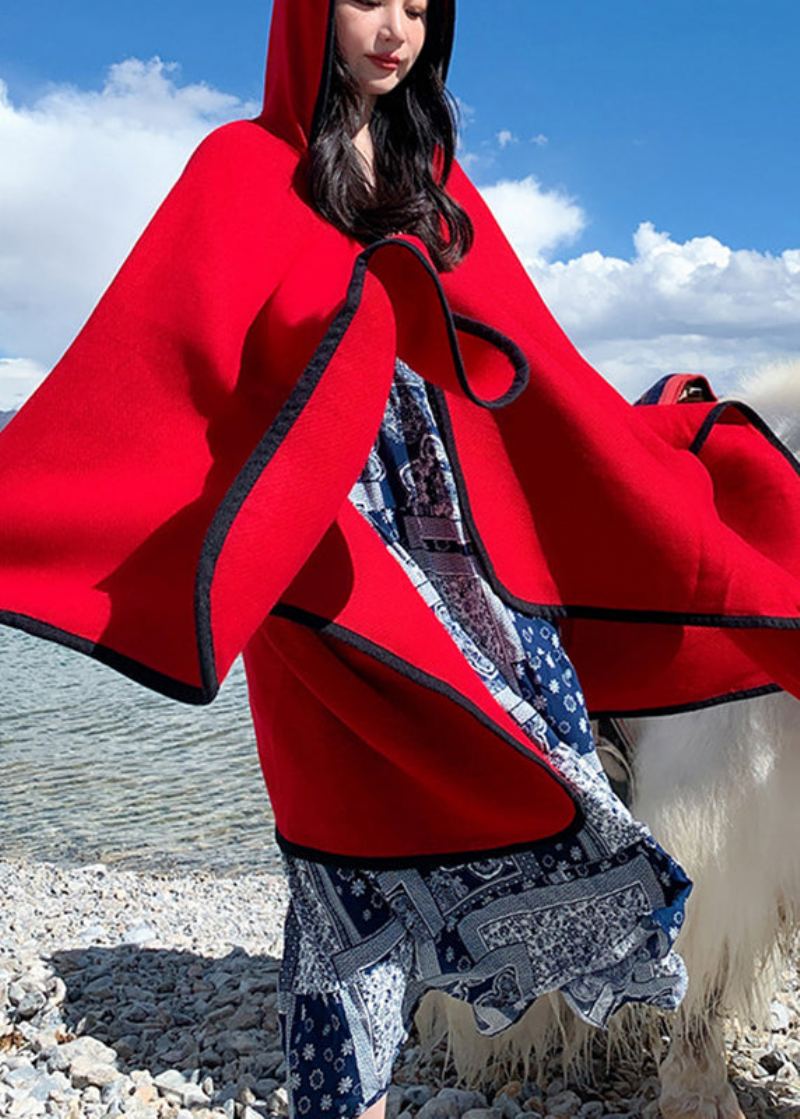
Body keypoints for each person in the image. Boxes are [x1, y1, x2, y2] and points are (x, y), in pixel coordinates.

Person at [2, 2, 799, 1119]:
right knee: (339, 828)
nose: (395, 30)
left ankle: (599, 1012)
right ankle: (345, 1094)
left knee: (549, 762)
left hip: (462, 545)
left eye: (420, 10)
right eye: (371, 0)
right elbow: (160, 354)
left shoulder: (436, 176)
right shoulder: (242, 167)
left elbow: (534, 366)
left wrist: (636, 465)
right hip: (323, 551)